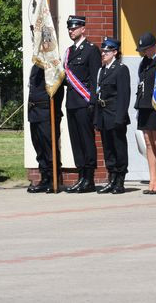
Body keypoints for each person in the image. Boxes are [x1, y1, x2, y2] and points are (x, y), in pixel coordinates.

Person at [62, 15, 99, 194]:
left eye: (74, 28)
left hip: (84, 103)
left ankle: (89, 178)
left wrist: (93, 102)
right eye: (69, 28)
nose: (71, 31)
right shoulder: (68, 51)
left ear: (83, 29)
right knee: (76, 142)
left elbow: (95, 79)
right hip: (71, 103)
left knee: (86, 141)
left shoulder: (91, 50)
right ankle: (81, 176)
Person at [26, 39, 64, 194]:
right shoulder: (36, 65)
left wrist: (53, 111)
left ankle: (53, 178)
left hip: (47, 113)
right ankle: (44, 177)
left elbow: (58, 90)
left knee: (49, 147)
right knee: (39, 147)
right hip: (35, 113)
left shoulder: (52, 65)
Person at [94, 38, 131, 195]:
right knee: (108, 149)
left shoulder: (121, 69)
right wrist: (97, 118)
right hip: (103, 114)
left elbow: (124, 95)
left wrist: (120, 117)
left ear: (115, 52)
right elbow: (98, 95)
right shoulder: (103, 70)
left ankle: (120, 180)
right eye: (102, 51)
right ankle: (112, 178)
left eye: (107, 51)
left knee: (118, 148)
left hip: (115, 114)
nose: (103, 54)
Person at [135, 32, 156, 195]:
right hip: (144, 105)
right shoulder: (144, 62)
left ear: (154, 46)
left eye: (146, 49)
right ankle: (152, 177)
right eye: (143, 50)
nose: (144, 52)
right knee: (148, 141)